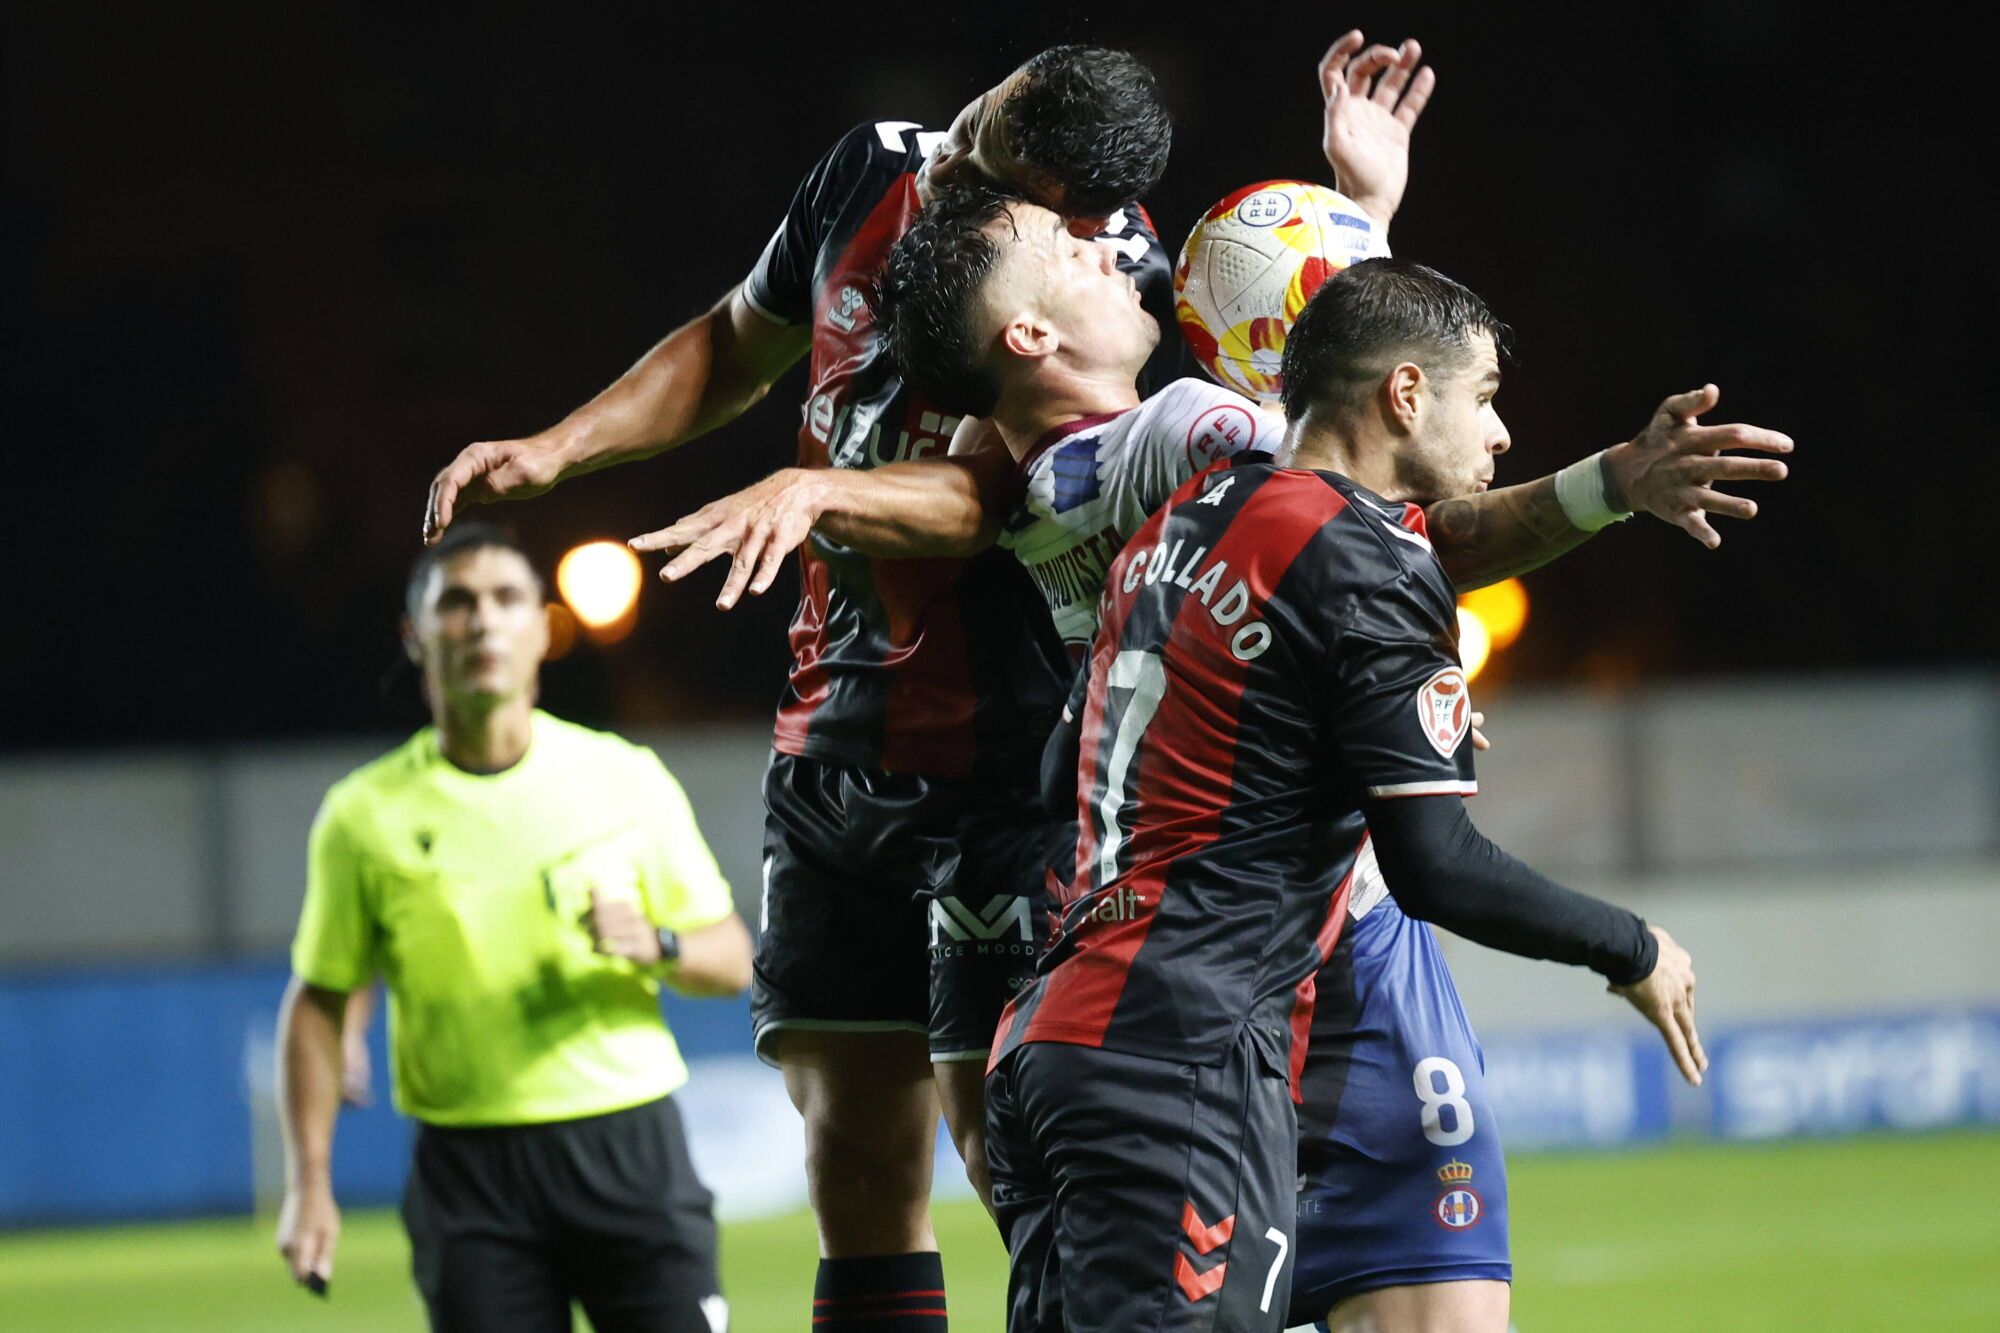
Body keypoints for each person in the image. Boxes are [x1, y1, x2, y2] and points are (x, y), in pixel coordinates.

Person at [420, 34, 1434, 1327]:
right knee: (851, 1151)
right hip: (834, 732)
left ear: (1075, 212)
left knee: (1022, 1155)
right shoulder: (870, 169)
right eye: (988, 115)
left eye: (999, 161)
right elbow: (736, 341)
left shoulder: (1101, 275)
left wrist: (812, 488)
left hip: (1010, 761)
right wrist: (563, 448)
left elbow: (996, 490)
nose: (962, 155)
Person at [979, 259, 1711, 1330]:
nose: (1499, 432)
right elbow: (1433, 864)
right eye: (1486, 396)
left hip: (1050, 1047)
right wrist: (1631, 945)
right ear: (1404, 394)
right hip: (1182, 1058)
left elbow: (1059, 770)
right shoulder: (1362, 565)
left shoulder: (1187, 514)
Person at [274, 522, 752, 1333]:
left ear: (540, 626)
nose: (484, 622)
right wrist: (309, 1181)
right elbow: (322, 997)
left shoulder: (624, 776)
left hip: (628, 1147)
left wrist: (659, 943)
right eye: (457, 603)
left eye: (506, 599)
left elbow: (733, 958)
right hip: (469, 1172)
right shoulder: (364, 816)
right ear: (415, 635)